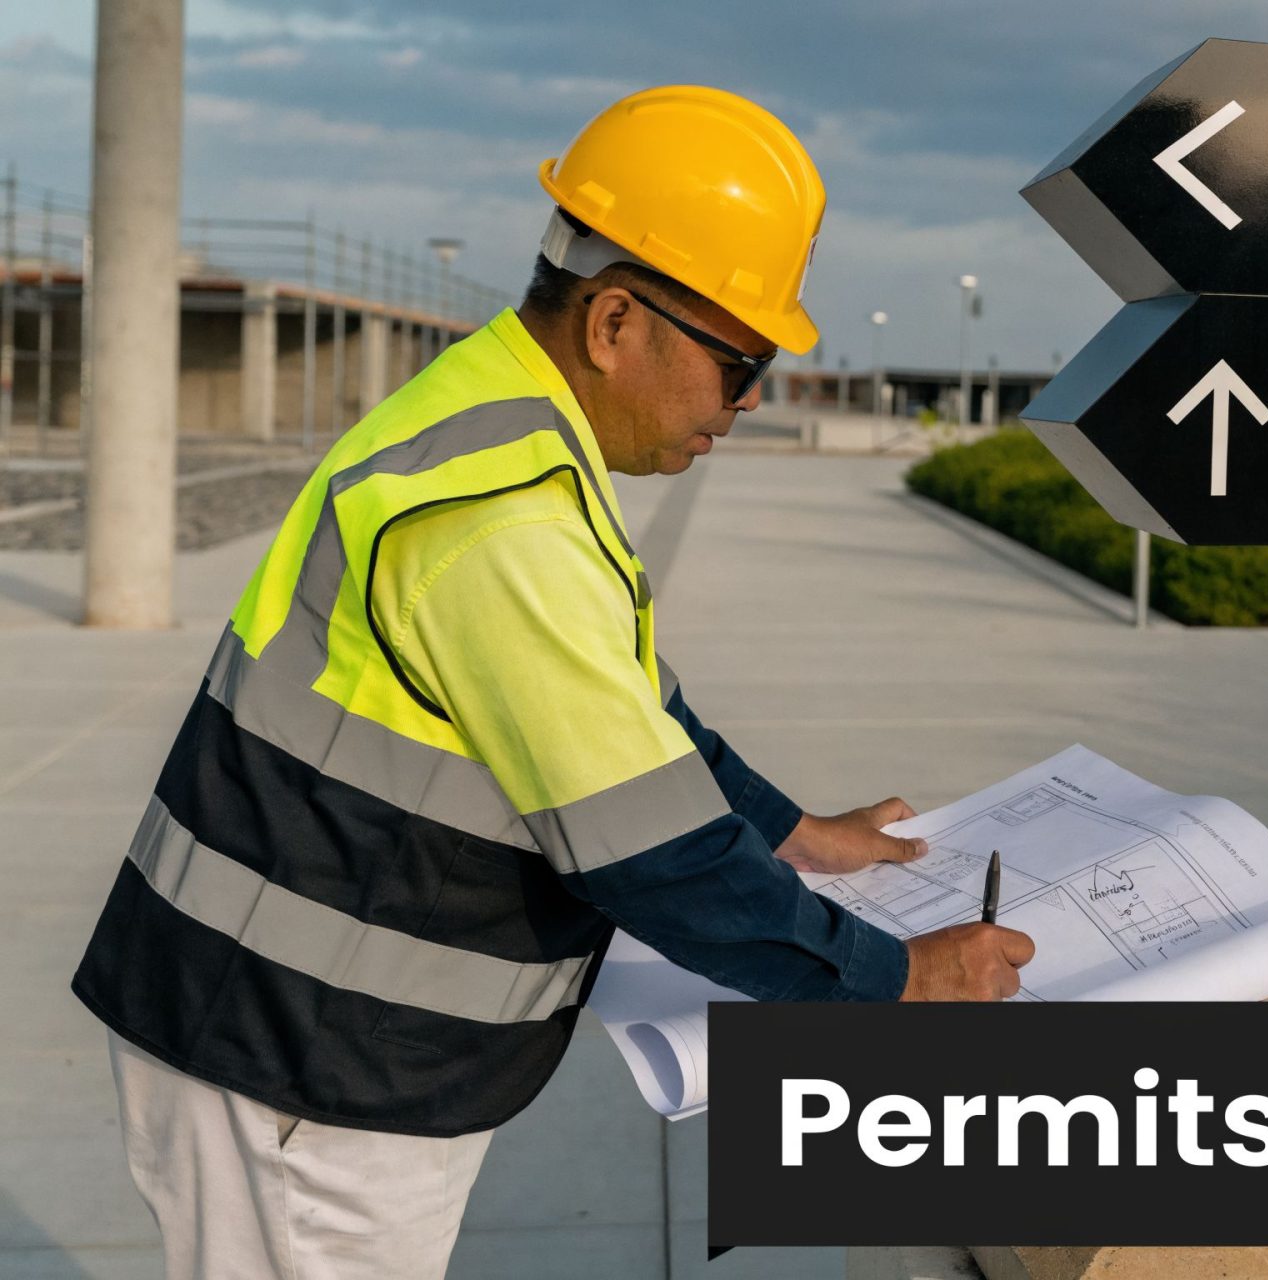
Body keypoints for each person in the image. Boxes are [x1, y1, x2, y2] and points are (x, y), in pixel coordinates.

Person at [68, 84, 1033, 1279]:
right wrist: (896, 981)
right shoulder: (502, 519)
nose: (746, 405)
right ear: (617, 321)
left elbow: (631, 707)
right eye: (738, 364)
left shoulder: (505, 427)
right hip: (297, 1062)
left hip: (297, 1032)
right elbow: (656, 856)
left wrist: (789, 831)